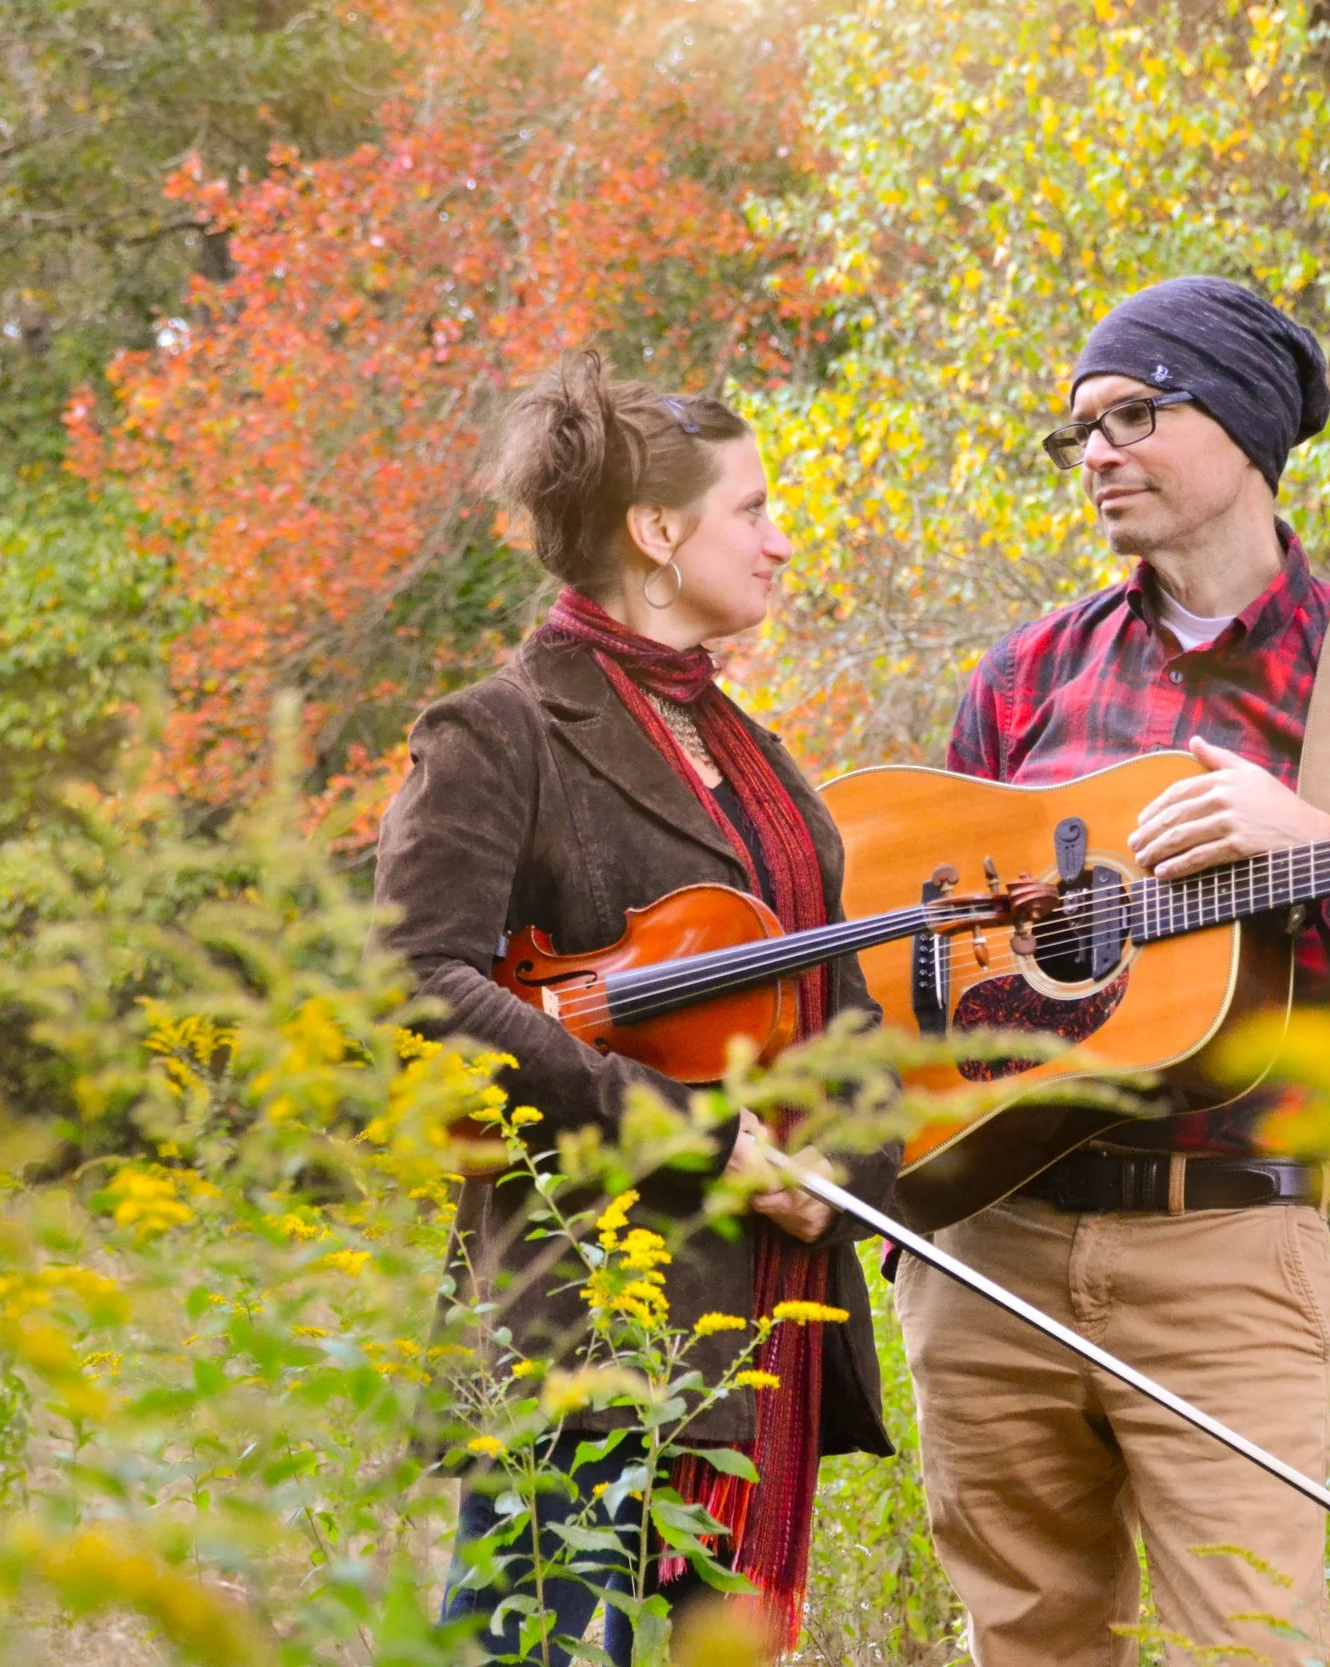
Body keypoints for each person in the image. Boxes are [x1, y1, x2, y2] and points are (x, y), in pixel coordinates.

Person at [896, 276, 1330, 1665]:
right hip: (992, 1244)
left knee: (1258, 1645)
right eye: (1081, 431)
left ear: (1238, 428)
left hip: (1230, 1248)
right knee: (1026, 1645)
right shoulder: (1027, 672)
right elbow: (932, 960)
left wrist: (1321, 847)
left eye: (1134, 414)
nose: (1098, 451)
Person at [373, 352, 900, 1664]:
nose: (783, 544)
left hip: (759, 1317)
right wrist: (700, 1134)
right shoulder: (500, 733)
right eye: (755, 510)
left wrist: (847, 1160)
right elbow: (420, 987)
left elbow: (829, 1000)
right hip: (585, 1312)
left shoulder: (750, 755)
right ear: (658, 534)